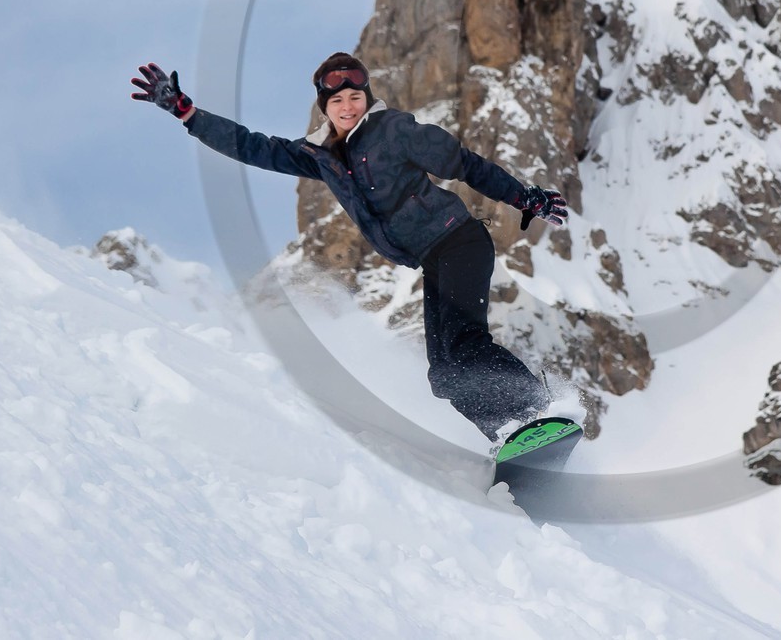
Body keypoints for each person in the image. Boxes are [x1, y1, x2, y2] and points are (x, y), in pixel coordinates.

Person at [130, 53, 568, 443]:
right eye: (337, 101)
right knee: (445, 374)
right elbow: (253, 146)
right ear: (325, 107)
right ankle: (511, 437)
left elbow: (465, 163)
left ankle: (536, 412)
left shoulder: (395, 129)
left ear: (366, 98)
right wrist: (187, 113)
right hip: (433, 260)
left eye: (355, 97)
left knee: (465, 342)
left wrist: (523, 196)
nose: (347, 106)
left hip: (460, 241)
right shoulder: (322, 156)